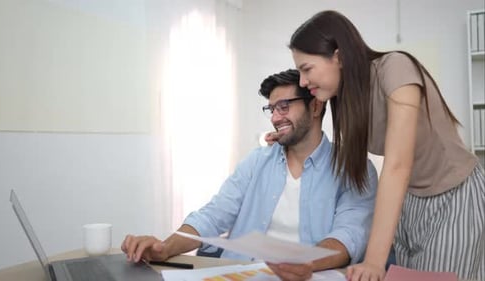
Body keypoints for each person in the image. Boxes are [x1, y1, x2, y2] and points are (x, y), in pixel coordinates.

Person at [277, 10, 485, 281]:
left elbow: (398, 164)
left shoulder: (395, 67)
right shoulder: (349, 100)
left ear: (338, 57)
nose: (303, 82)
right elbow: (312, 129)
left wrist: (374, 262)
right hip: (410, 200)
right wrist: (284, 138)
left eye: (306, 69)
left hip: (454, 194)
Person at [122, 69, 378, 280]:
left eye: (284, 107)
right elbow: (214, 214)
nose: (276, 118)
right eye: (272, 109)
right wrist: (165, 247)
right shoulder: (257, 162)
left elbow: (348, 236)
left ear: (315, 106)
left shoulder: (353, 168)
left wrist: (307, 262)